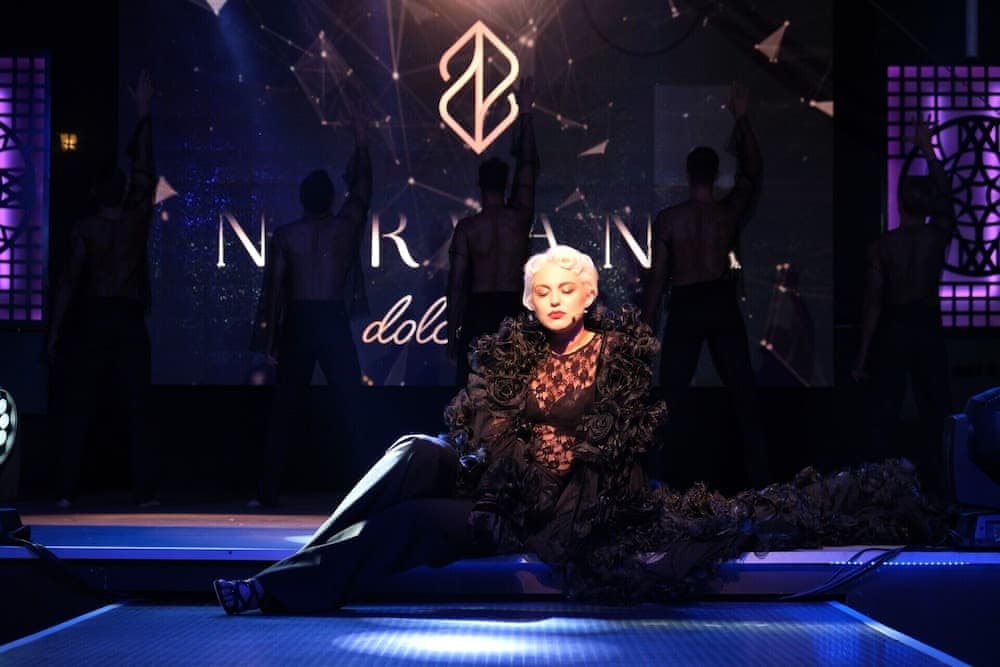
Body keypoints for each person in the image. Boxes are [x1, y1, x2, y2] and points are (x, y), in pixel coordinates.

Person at [213, 245, 950, 615]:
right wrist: (509, 454)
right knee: (411, 450)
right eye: (543, 291)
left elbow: (616, 448)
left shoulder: (619, 357)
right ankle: (301, 562)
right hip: (494, 481)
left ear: (590, 294)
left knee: (404, 526)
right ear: (529, 300)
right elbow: (484, 426)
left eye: (568, 288)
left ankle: (273, 592)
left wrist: (536, 468)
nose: (555, 299)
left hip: (551, 509)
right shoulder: (514, 350)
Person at [640, 81, 770, 490]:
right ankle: (759, 480)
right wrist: (742, 118)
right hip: (717, 301)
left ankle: (660, 479)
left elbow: (658, 280)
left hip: (688, 302)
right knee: (741, 393)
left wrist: (646, 328)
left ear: (688, 174)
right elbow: (753, 172)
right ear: (714, 175)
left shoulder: (669, 220)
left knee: (672, 394)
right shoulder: (726, 214)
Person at [248, 104, 372, 508]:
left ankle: (266, 491)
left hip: (301, 320)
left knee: (285, 410)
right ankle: (368, 492)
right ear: (330, 198)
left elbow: (274, 293)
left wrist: (270, 340)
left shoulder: (287, 235)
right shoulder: (344, 227)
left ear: (302, 199)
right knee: (351, 407)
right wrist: (361, 141)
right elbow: (362, 192)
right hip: (329, 318)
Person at [47, 69, 158, 509]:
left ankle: (64, 490)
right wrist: (144, 114)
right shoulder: (134, 222)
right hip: (124, 318)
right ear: (121, 192)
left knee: (82, 405)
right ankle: (142, 492)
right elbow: (146, 174)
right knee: (136, 406)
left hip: (97, 317)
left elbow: (67, 285)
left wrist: (55, 336)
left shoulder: (87, 228)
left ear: (96, 193)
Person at [851, 117, 956, 496]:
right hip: (924, 324)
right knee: (935, 412)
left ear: (899, 204)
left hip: (895, 326)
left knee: (883, 413)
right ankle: (943, 488)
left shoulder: (883, 246)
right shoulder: (936, 237)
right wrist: (928, 150)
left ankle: (875, 490)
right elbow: (947, 197)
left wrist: (862, 355)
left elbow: (872, 304)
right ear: (925, 205)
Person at [446, 77, 538, 387]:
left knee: (475, 391)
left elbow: (455, 286)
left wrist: (451, 334)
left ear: (480, 186)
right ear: (505, 184)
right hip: (510, 310)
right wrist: (526, 112)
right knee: (512, 390)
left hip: (479, 312)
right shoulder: (519, 219)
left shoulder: (468, 228)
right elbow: (528, 168)